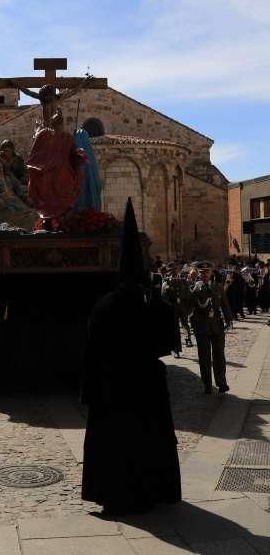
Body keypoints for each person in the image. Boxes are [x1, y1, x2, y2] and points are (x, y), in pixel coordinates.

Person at [81, 198, 181, 515]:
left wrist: (90, 388)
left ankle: (115, 494)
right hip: (147, 384)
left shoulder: (104, 304)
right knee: (149, 438)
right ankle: (152, 491)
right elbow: (169, 344)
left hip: (112, 386)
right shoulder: (156, 305)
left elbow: (91, 349)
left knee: (115, 442)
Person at [27, 104, 86, 220]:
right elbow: (35, 152)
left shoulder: (66, 137)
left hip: (60, 172)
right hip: (51, 172)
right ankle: (50, 220)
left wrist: (79, 155)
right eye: (58, 123)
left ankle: (57, 219)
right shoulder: (46, 135)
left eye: (60, 123)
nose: (59, 125)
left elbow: (73, 153)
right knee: (50, 192)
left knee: (61, 192)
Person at [189, 261, 232, 394]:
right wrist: (192, 291)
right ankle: (207, 384)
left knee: (219, 354)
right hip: (201, 327)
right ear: (198, 274)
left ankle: (221, 382)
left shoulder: (218, 287)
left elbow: (225, 304)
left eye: (207, 272)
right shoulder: (195, 288)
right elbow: (189, 307)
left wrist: (229, 319)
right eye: (202, 272)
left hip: (217, 326)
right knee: (204, 356)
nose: (204, 275)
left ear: (211, 273)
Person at [0, 152, 37, 230]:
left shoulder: (8, 176)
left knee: (29, 213)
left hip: (14, 200)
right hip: (2, 202)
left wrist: (27, 196)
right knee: (9, 214)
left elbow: (19, 187)